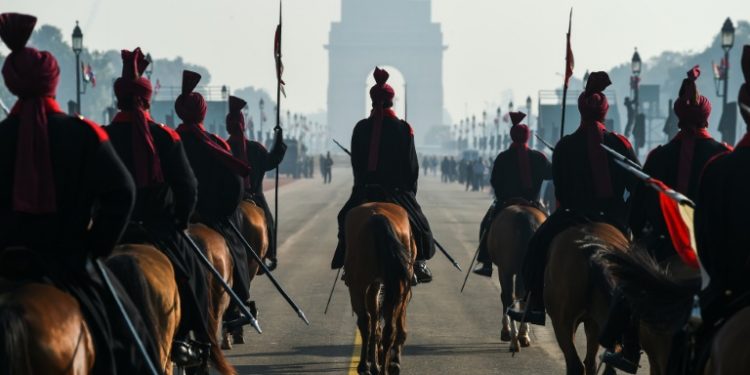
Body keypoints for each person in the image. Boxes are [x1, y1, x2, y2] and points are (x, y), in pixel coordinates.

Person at [0, 13, 159, 374]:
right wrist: (93, 248)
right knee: (132, 338)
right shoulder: (83, 134)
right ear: (53, 83)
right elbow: (123, 193)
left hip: (5, 262)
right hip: (67, 261)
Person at [600, 66, 731, 373]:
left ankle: (628, 348)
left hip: (664, 245)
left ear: (677, 116)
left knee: (630, 289)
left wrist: (640, 234)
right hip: (711, 252)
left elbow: (639, 213)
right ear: (706, 116)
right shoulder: (724, 156)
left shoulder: (658, 157)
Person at [105, 48, 214, 367]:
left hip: (114, 233)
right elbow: (188, 189)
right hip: (161, 230)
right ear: (148, 100)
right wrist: (179, 223)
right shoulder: (165, 138)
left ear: (118, 100)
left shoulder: (102, 137)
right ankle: (196, 341)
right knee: (194, 278)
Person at [508, 72, 639, 325]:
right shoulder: (620, 144)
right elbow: (635, 183)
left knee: (535, 250)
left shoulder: (566, 145)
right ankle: (633, 328)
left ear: (581, 110)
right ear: (604, 111)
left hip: (573, 215)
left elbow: (561, 188)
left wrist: (569, 206)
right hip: (613, 217)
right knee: (640, 267)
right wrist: (623, 212)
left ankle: (534, 305)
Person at [331, 67, 435, 283]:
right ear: (392, 101)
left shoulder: (360, 128)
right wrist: (409, 194)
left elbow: (357, 166)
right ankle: (418, 263)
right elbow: (411, 169)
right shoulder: (403, 129)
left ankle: (346, 259)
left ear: (372, 101)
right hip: (396, 192)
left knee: (345, 218)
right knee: (420, 224)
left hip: (366, 190)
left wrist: (364, 185)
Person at [174, 71, 254, 324]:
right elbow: (234, 185)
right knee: (235, 249)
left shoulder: (166, 140)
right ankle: (238, 302)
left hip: (174, 218)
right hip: (210, 215)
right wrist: (221, 212)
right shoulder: (216, 143)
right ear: (203, 113)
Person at [696, 44, 750, 347]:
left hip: (732, 287)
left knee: (685, 340)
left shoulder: (718, 168)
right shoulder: (718, 156)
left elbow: (706, 242)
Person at [473, 112, 552, 277]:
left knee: (486, 225)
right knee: (551, 229)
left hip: (507, 202)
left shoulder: (503, 157)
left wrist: (503, 196)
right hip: (533, 203)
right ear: (527, 137)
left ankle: (486, 262)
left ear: (512, 136)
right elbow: (551, 174)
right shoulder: (538, 158)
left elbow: (495, 181)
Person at [225, 95, 286, 271]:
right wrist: (278, 139)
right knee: (268, 221)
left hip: (233, 200)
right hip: (255, 196)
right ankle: (271, 255)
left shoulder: (223, 148)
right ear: (244, 125)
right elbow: (271, 161)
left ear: (229, 127)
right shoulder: (256, 149)